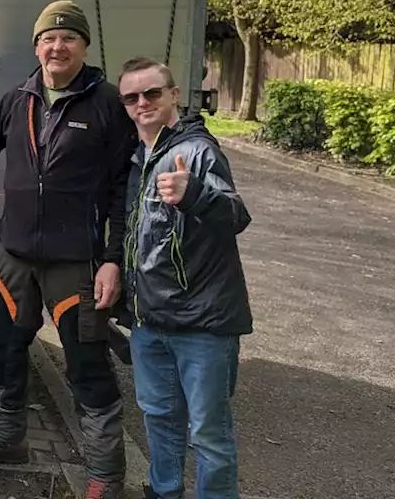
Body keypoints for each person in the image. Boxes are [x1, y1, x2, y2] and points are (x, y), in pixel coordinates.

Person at [0, 0, 135, 498]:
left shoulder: (107, 103)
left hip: (76, 261)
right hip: (14, 254)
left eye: (68, 38)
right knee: (2, 346)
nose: (57, 46)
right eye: (48, 38)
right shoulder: (19, 97)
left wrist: (112, 258)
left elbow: (121, 189)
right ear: (36, 46)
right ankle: (5, 436)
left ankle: (105, 474)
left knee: (86, 363)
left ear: (84, 46)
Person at [116, 56, 252, 499]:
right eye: (132, 97)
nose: (143, 103)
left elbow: (235, 215)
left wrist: (194, 194)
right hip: (150, 323)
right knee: (159, 419)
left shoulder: (196, 151)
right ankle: (164, 491)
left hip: (203, 327)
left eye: (152, 93)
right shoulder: (139, 157)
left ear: (175, 94)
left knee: (209, 435)